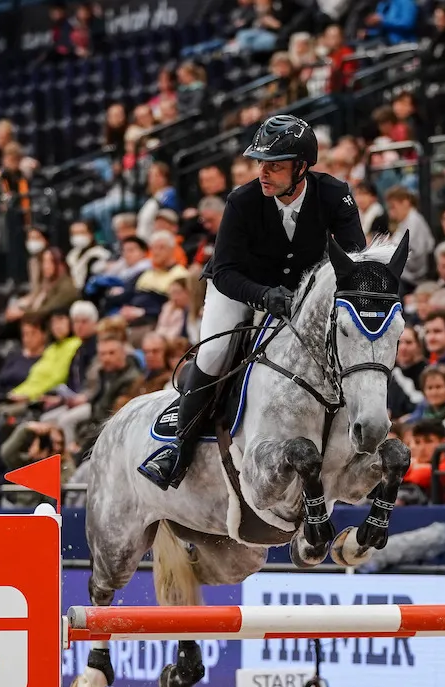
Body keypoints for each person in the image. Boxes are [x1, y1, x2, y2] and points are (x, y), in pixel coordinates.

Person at [139, 115, 365, 489]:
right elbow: (225, 270)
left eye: (274, 165)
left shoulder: (334, 193)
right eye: (261, 163)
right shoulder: (242, 201)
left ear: (302, 167)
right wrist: (262, 295)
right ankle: (179, 449)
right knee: (213, 354)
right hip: (238, 287)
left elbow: (353, 259)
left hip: (300, 293)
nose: (263, 172)